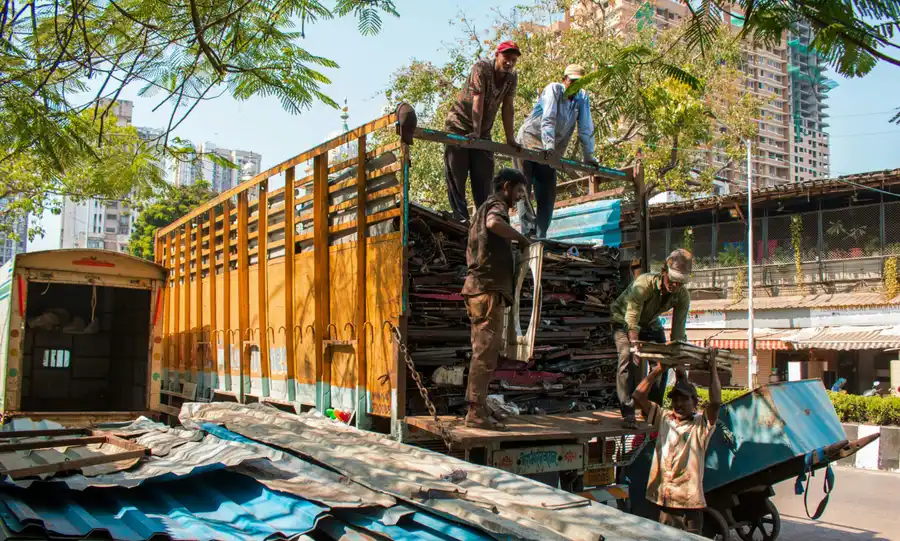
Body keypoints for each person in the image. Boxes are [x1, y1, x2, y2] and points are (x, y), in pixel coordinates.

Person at [461, 168, 530, 429]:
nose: (520, 196)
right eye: (519, 190)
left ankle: (478, 408)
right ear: (507, 187)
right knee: (485, 354)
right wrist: (521, 238)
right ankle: (476, 412)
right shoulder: (496, 205)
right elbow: (494, 223)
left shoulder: (484, 206)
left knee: (484, 353)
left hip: (484, 290)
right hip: (486, 291)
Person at [633, 356, 721, 534]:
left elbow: (716, 402)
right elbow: (638, 395)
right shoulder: (664, 418)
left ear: (695, 403)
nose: (679, 404)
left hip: (689, 503)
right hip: (664, 500)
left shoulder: (700, 425)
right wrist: (658, 370)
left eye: (684, 400)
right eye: (675, 400)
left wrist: (713, 369)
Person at [611, 249, 693, 427]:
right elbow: (631, 317)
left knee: (662, 362)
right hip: (623, 319)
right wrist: (634, 346)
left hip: (650, 322)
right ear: (664, 272)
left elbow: (678, 333)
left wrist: (679, 364)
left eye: (680, 283)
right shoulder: (644, 283)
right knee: (626, 357)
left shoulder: (683, 296)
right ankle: (628, 410)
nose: (675, 286)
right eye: (673, 280)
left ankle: (652, 409)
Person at [516, 64, 597, 238]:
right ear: (564, 80)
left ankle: (541, 234)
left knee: (547, 192)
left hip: (550, 150)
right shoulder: (554, 89)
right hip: (529, 141)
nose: (574, 86)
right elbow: (549, 118)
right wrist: (549, 146)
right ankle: (528, 233)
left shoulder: (582, 97)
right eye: (572, 81)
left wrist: (588, 156)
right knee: (522, 187)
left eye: (578, 83)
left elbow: (585, 126)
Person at [444, 41, 521, 223]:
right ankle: (461, 221)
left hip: (483, 132)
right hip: (459, 126)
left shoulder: (511, 78)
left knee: (484, 179)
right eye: (506, 58)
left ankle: (485, 222)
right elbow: (478, 97)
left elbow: (508, 107)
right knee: (457, 177)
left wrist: (511, 139)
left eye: (513, 60)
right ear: (497, 55)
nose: (509, 63)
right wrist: (475, 132)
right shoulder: (482, 68)